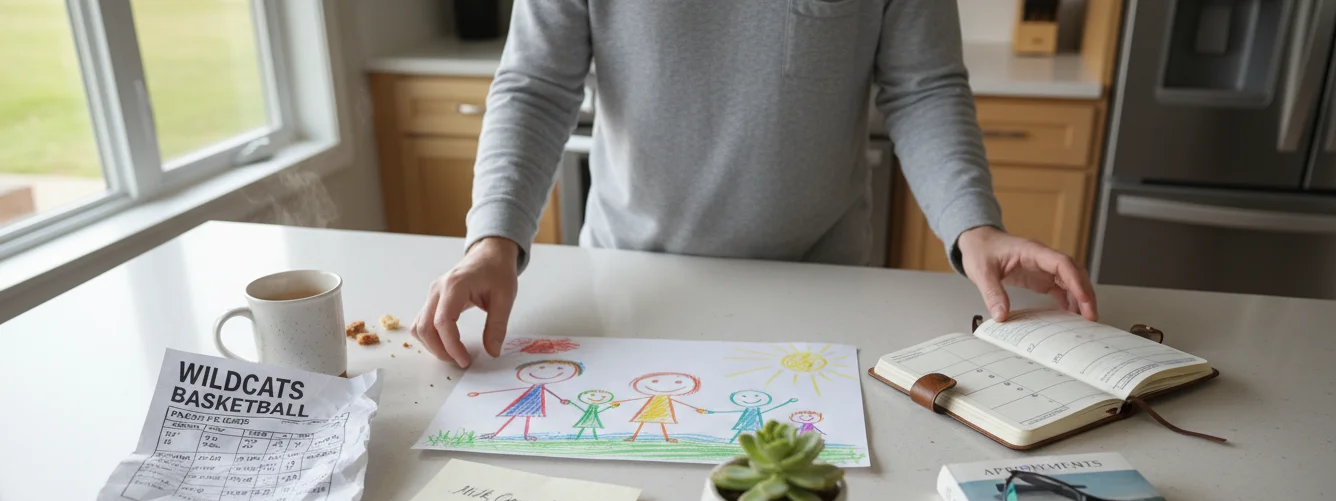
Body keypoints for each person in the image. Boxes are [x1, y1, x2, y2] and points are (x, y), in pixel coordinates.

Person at [413, 0, 1100, 367]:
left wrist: (972, 223)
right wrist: (492, 240)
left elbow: (923, 87)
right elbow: (535, 87)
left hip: (821, 287)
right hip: (633, 285)